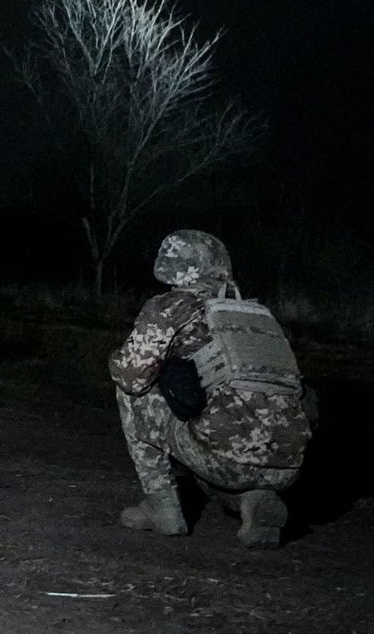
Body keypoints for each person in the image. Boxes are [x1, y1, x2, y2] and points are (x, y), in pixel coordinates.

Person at [110, 230, 313, 548]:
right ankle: (255, 500)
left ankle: (161, 507)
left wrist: (116, 361)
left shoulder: (171, 306)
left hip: (222, 459)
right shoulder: (257, 313)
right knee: (220, 419)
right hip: (287, 466)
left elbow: (131, 376)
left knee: (135, 391)